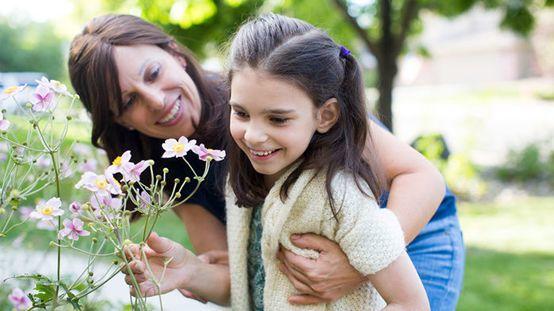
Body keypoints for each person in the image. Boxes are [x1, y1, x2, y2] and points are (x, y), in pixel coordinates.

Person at [68, 14, 463, 310]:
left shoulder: (267, 88)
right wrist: (190, 271)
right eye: (128, 102)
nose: (155, 100)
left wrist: (360, 264)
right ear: (116, 120)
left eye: (152, 73)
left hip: (413, 231)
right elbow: (242, 277)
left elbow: (421, 177)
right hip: (323, 263)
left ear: (174, 54)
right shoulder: (170, 171)